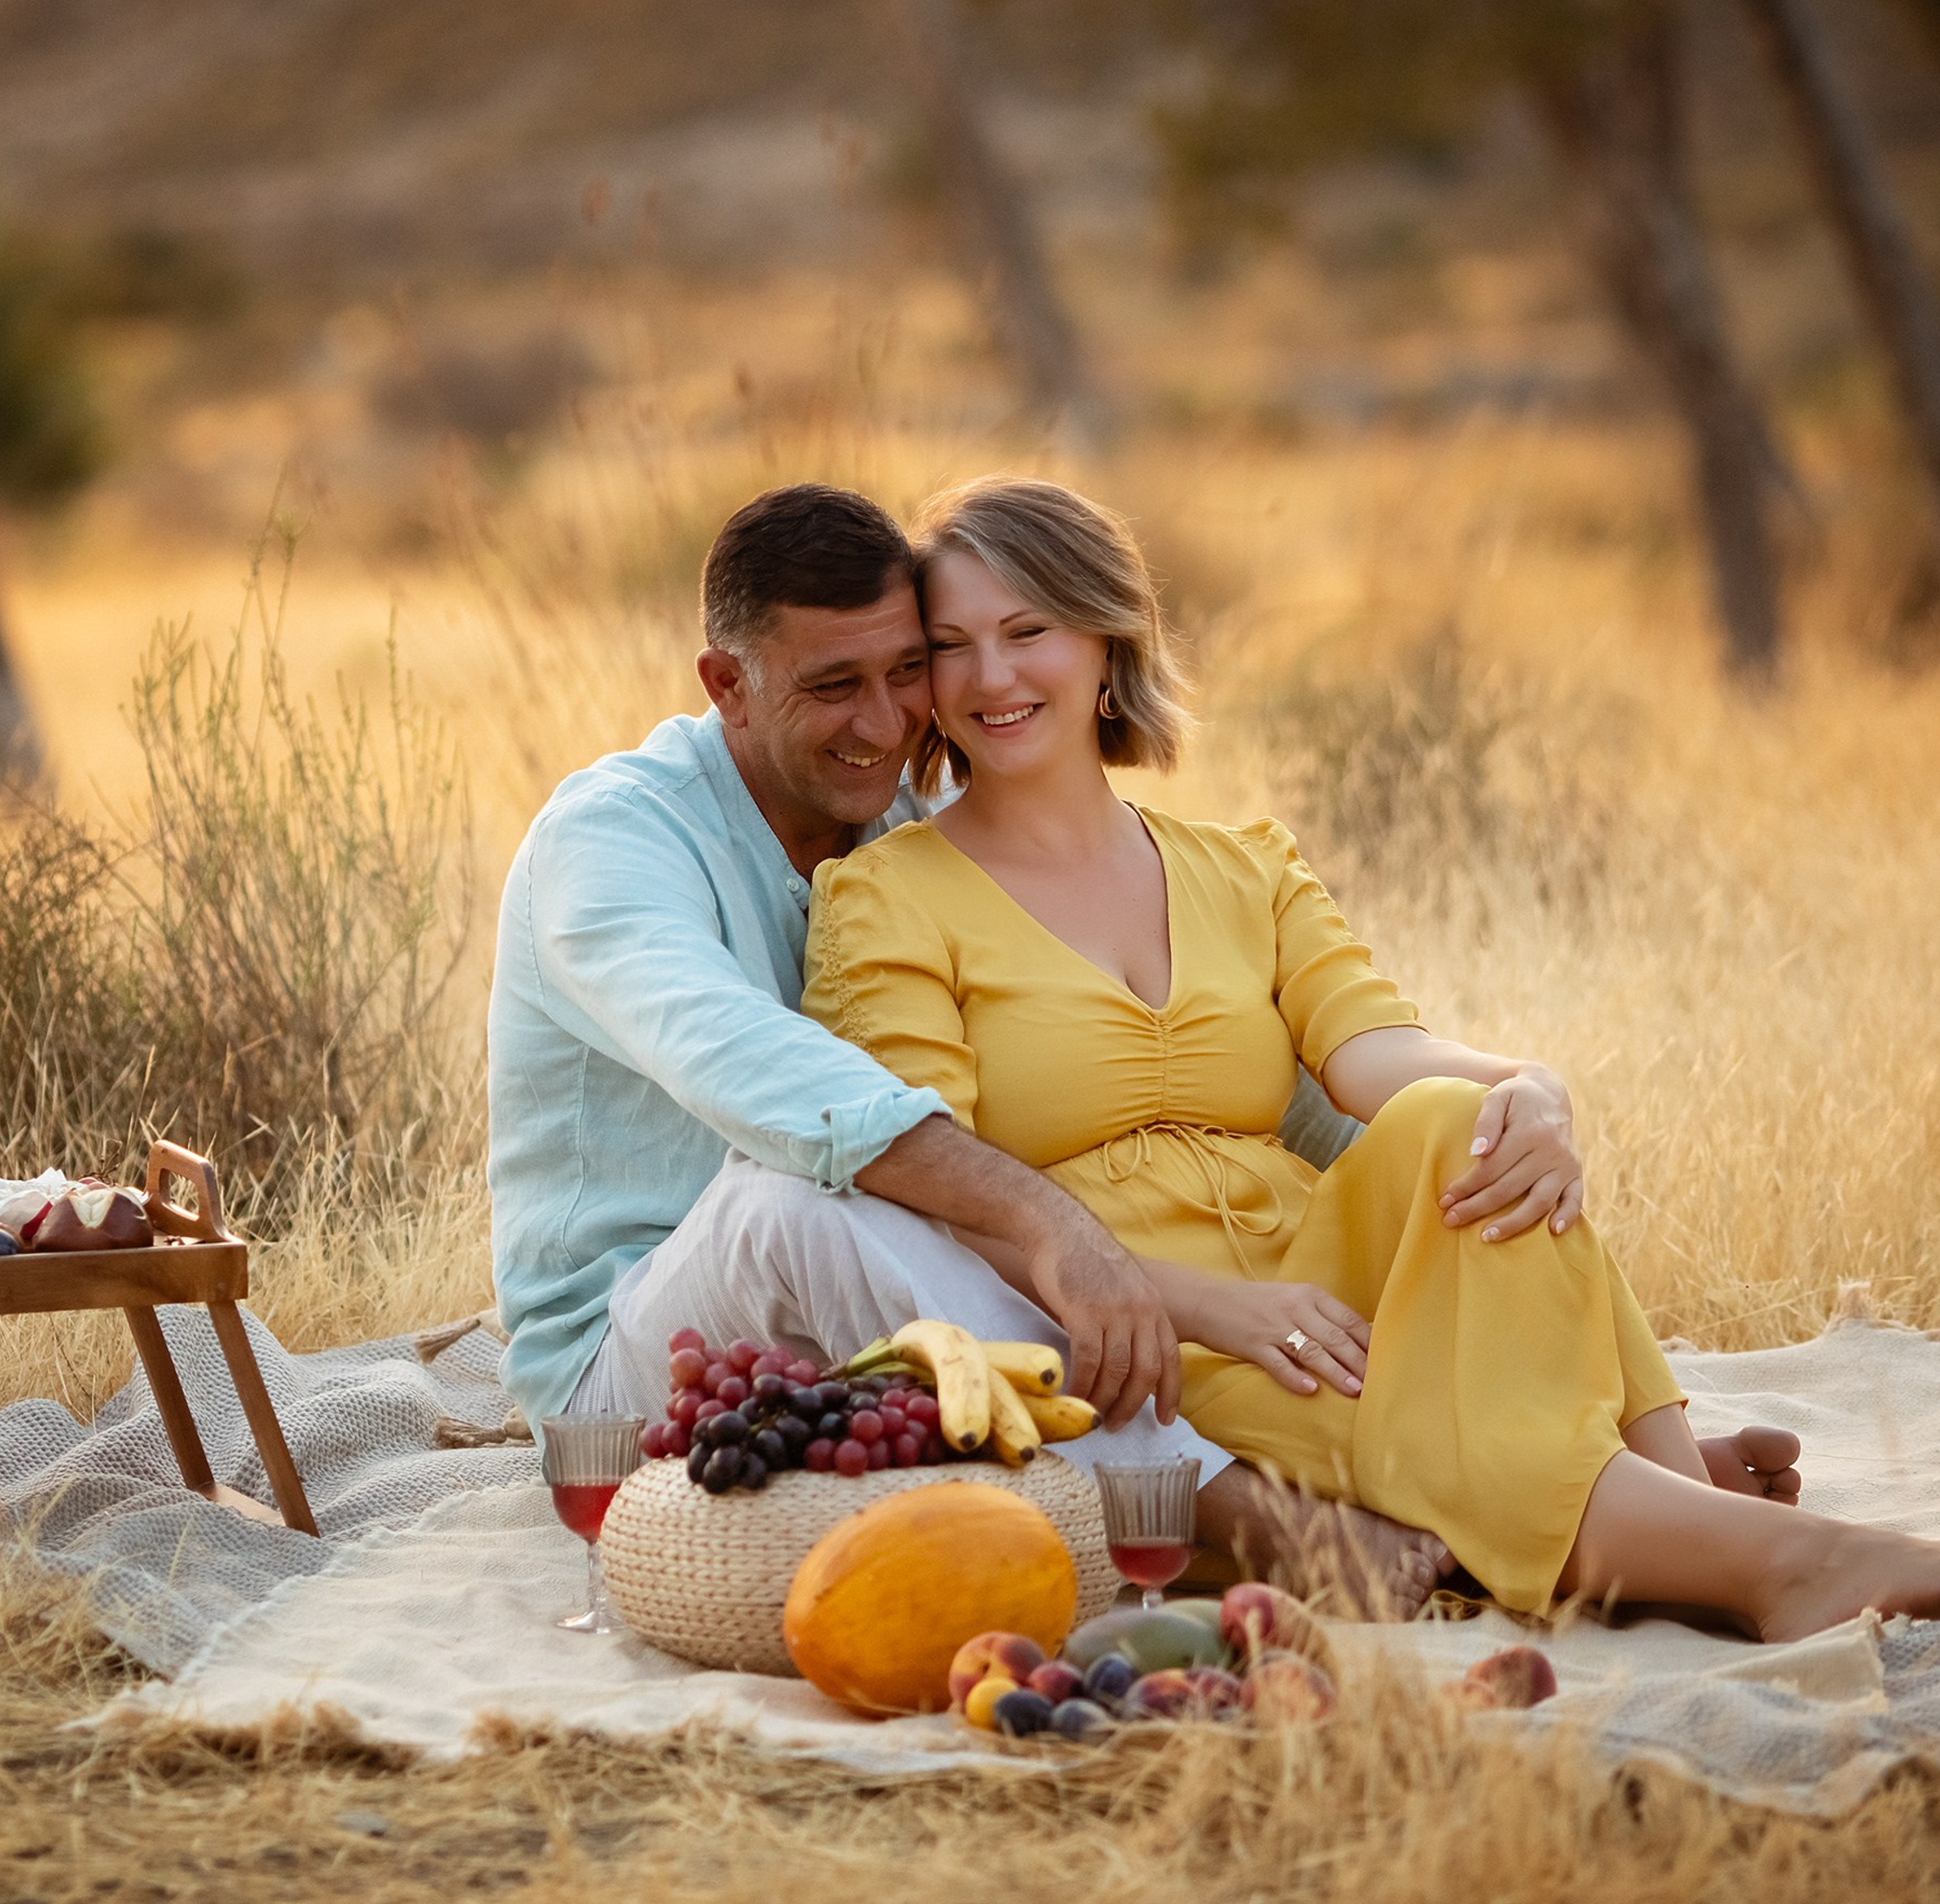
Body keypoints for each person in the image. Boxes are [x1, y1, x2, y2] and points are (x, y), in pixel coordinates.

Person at [487, 481, 1788, 1616]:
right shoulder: (614, 841)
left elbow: (1290, 1088)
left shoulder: (901, 826)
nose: (890, 724)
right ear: (727, 684)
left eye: (905, 672)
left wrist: (1474, 1119)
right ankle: (1246, 1517)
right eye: (836, 687)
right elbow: (752, 1067)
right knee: (816, 1192)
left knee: (1453, 1147)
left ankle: (1601, 1476)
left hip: (887, 1342)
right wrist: (1068, 1234)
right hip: (638, 1353)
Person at [799, 476, 1921, 1640]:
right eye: (950, 647)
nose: (990, 678)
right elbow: (941, 1192)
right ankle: (1755, 1545)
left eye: (1027, 631)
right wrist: (1207, 1308)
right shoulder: (885, 898)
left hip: (1320, 1270)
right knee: (1431, 1420)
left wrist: (1530, 1089)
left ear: (1104, 639)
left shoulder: (1249, 866)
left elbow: (1375, 1049)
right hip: (1141, 1330)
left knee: (1455, 1122)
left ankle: (1677, 1514)